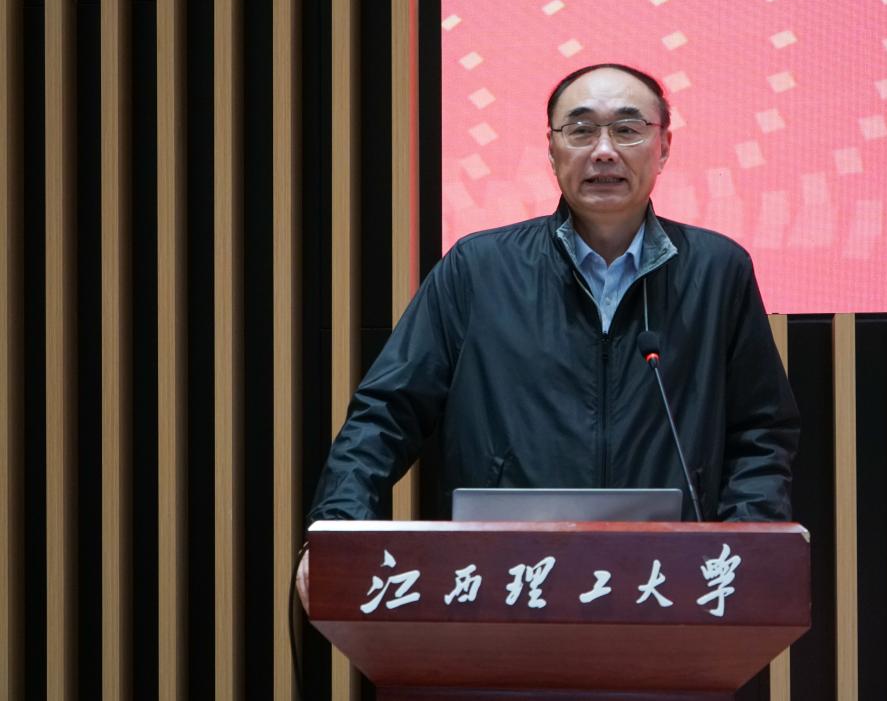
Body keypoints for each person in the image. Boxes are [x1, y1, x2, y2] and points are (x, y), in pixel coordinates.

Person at [297, 64, 798, 608]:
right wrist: (336, 531)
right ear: (552, 150)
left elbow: (760, 430)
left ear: (663, 147)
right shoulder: (479, 268)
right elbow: (386, 413)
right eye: (580, 130)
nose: (603, 151)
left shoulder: (717, 270)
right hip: (503, 581)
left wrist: (749, 545)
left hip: (666, 584)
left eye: (627, 129)